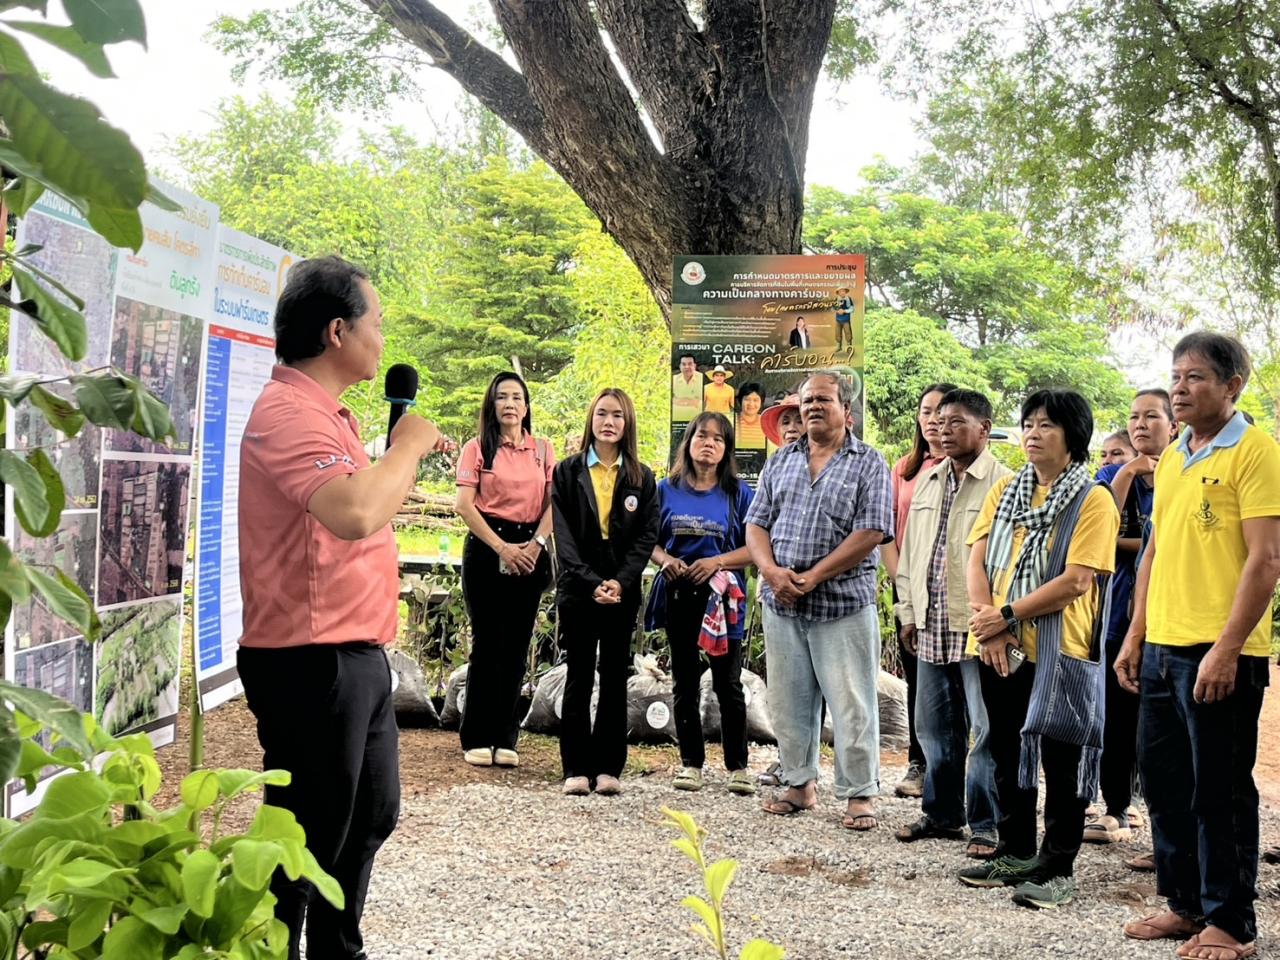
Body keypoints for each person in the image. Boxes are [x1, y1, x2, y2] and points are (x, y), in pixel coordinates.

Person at [237, 256, 451, 960]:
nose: (384, 338)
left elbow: (365, 505)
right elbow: (355, 512)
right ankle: (273, 951)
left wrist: (392, 465)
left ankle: (338, 949)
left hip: (354, 652)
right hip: (308, 659)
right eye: (378, 322)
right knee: (307, 834)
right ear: (337, 331)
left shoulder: (328, 415)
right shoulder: (287, 414)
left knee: (369, 817)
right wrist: (410, 448)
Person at [1114, 332, 1280, 959]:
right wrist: (1136, 635)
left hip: (1219, 651)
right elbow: (1154, 551)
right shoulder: (1178, 454)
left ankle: (1231, 923)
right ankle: (1185, 906)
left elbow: (1266, 560)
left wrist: (1228, 648)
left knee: (1220, 790)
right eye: (1175, 376)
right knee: (1166, 784)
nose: (1179, 389)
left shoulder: (1257, 452)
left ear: (1232, 386)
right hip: (1161, 647)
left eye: (1195, 378)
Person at [958, 389, 1119, 910]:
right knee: (1006, 749)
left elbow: (1076, 581)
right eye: (1028, 423)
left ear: (1073, 435)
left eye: (1046, 424)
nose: (1032, 432)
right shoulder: (1006, 489)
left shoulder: (1092, 499)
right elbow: (976, 561)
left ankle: (1058, 867)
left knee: (1061, 758)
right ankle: (1016, 849)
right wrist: (993, 628)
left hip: (1059, 652)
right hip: (999, 646)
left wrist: (1006, 615)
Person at [747, 371, 894, 831]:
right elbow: (756, 525)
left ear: (845, 410)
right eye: (807, 400)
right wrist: (771, 572)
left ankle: (858, 794)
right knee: (789, 701)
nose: (812, 407)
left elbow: (871, 532)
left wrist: (813, 576)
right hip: (782, 602)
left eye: (823, 400)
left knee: (851, 703)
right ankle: (799, 784)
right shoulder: (780, 461)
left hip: (842, 605)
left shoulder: (869, 462)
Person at [894, 389, 1009, 859]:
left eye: (956, 421)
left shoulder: (1005, 483)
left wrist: (1000, 622)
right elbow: (912, 552)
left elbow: (1007, 563)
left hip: (976, 625)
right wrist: (906, 611)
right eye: (939, 421)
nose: (942, 429)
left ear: (983, 428)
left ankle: (986, 823)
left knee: (986, 730)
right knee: (933, 727)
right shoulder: (928, 479)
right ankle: (941, 814)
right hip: (929, 623)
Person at [552, 388, 659, 797]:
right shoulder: (567, 472)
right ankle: (576, 767)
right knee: (578, 676)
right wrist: (589, 582)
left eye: (617, 415)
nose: (609, 421)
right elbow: (563, 536)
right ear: (590, 420)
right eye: (601, 414)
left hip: (622, 589)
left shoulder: (640, 477)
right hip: (579, 590)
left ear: (627, 422)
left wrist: (621, 580)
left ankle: (609, 766)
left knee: (615, 676)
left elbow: (647, 535)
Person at [1083, 390, 1178, 845]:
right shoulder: (1111, 475)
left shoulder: (1185, 469)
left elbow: (1177, 543)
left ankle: (1158, 821)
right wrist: (1128, 472)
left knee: (1162, 723)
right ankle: (1115, 806)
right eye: (1134, 417)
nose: (1141, 425)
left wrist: (1145, 547)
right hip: (1120, 611)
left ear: (1173, 424)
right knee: (1116, 716)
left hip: (1174, 613)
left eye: (1152, 417)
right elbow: (1099, 535)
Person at [646, 412, 756, 795]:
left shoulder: (739, 494)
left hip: (723, 601)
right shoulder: (665, 490)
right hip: (680, 595)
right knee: (685, 682)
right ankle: (691, 763)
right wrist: (667, 561)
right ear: (688, 442)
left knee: (728, 683)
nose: (708, 443)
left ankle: (738, 767)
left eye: (718, 439)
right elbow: (650, 542)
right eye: (701, 436)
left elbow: (757, 548)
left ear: (726, 449)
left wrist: (717, 562)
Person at [454, 372, 554, 768]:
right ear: (491, 406)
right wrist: (501, 548)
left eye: (517, 397)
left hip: (530, 546)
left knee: (516, 644)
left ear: (526, 406)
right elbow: (465, 505)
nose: (510, 404)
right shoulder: (476, 448)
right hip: (486, 546)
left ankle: (505, 736)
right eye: (502, 398)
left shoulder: (543, 450)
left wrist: (535, 545)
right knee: (488, 641)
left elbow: (553, 504)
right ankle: (476, 734)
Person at [881, 382, 958, 798]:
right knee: (917, 677)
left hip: (954, 590)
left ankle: (953, 766)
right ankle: (918, 761)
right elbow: (887, 531)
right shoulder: (904, 468)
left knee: (958, 680)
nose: (933, 421)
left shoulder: (969, 468)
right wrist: (902, 582)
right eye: (927, 412)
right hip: (908, 587)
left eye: (942, 414)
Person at [735, 382, 767, 450]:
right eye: (747, 399)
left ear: (761, 402)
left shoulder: (766, 422)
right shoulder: (730, 421)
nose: (751, 404)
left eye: (755, 400)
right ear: (740, 400)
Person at [672, 353, 703, 422]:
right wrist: (692, 402)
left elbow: (705, 402)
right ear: (680, 366)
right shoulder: (674, 380)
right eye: (683, 364)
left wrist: (680, 401)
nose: (686, 367)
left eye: (690, 364)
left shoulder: (702, 379)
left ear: (694, 366)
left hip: (698, 421)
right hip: (678, 421)